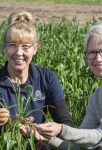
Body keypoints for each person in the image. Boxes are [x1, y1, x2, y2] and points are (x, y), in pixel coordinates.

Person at [0, 11, 72, 149]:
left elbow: (65, 123)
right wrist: (14, 124)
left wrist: (47, 133)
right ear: (4, 47)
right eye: (12, 45)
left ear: (35, 49)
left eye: (25, 46)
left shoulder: (47, 78)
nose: (19, 52)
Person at [34, 22, 102, 150]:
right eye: (92, 52)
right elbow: (80, 145)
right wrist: (46, 138)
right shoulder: (97, 96)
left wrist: (61, 129)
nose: (98, 59)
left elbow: (99, 138)